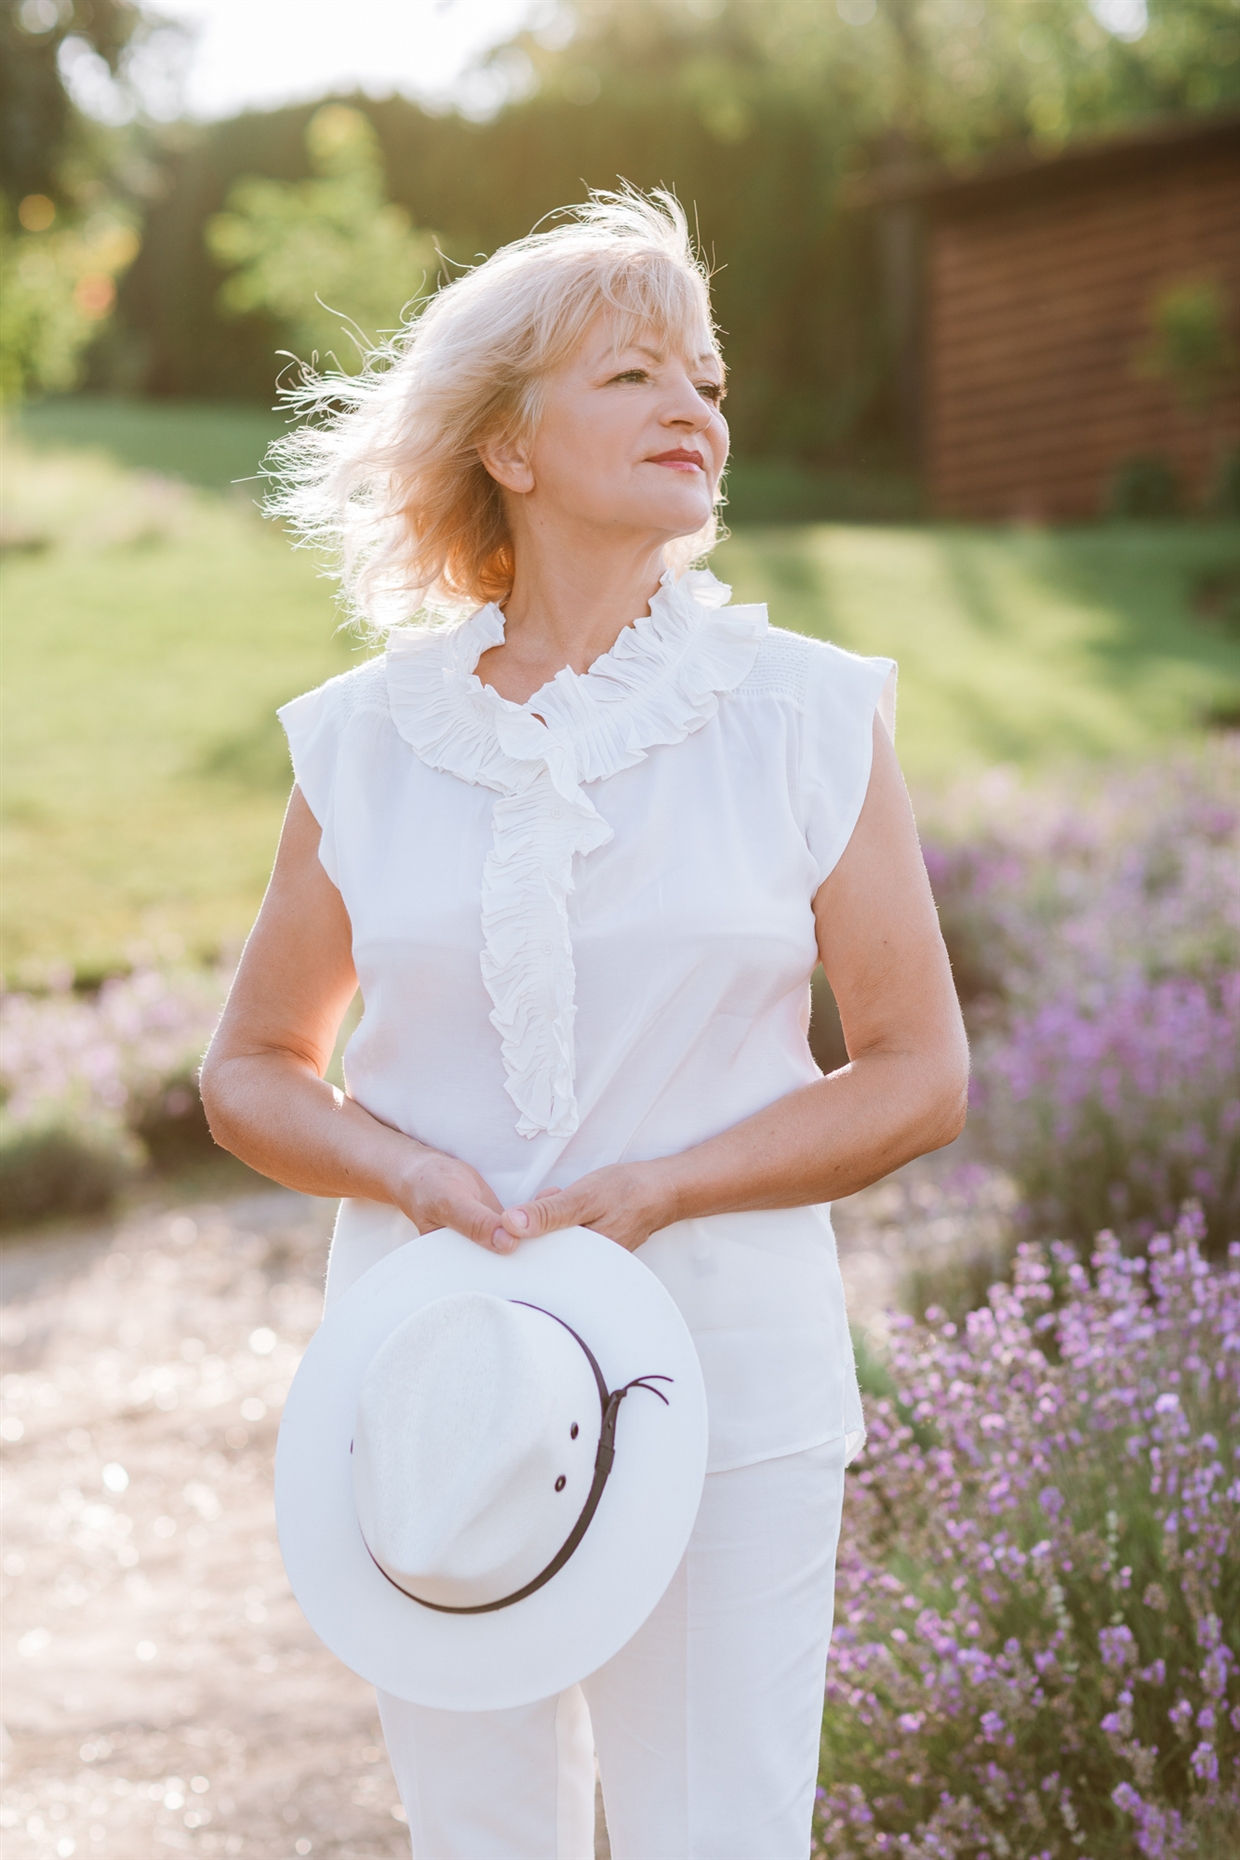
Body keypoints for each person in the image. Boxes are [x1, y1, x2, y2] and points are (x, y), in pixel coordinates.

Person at [200, 189, 968, 1860]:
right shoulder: (368, 744)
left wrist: (663, 1189)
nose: (696, 404)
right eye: (635, 374)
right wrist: (407, 1176)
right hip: (439, 1389)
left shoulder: (810, 719)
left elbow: (919, 1075)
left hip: (733, 1382)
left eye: (706, 376)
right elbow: (252, 1070)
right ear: (510, 447)